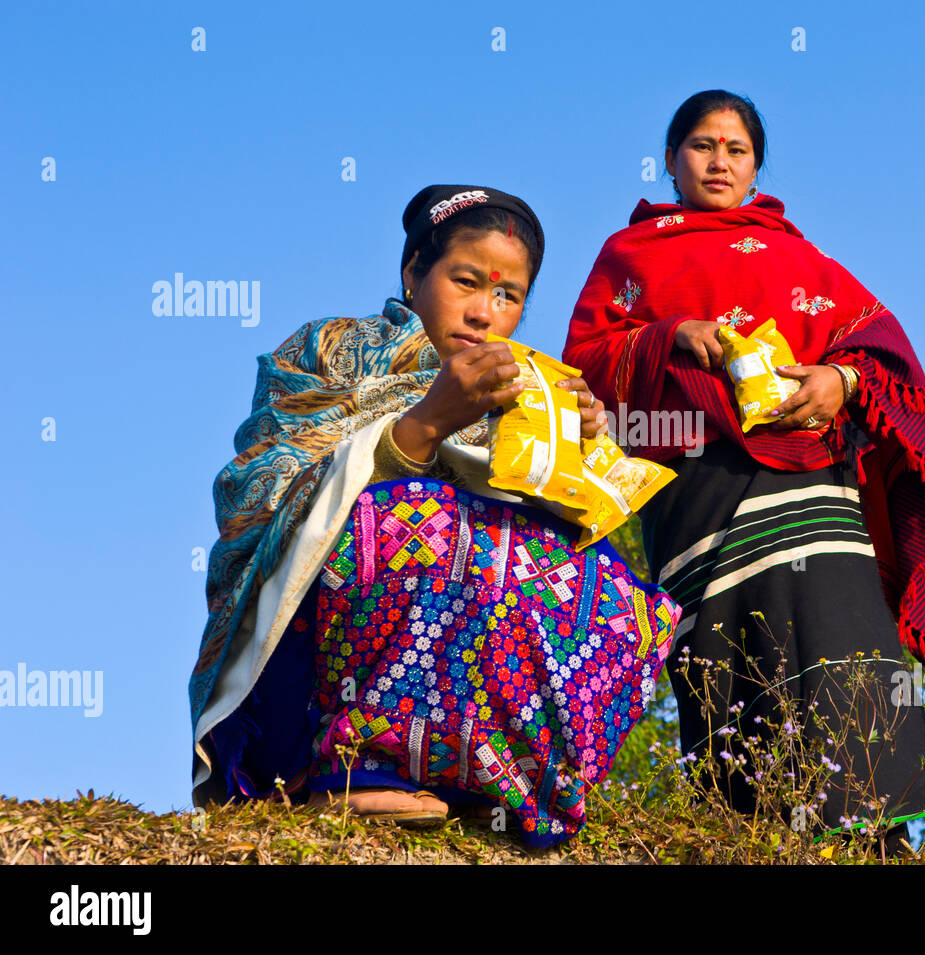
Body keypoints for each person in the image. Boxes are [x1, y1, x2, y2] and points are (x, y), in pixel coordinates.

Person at [188, 185, 681, 848]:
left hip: (474, 686)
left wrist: (577, 453)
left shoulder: (528, 392)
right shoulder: (328, 354)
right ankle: (359, 766)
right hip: (299, 695)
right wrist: (424, 426)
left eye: (508, 296)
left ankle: (505, 784)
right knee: (419, 519)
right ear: (414, 273)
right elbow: (262, 496)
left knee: (616, 591)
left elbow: (546, 548)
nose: (484, 312)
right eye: (466, 281)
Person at [562, 91, 925, 851]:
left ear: (756, 166)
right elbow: (584, 365)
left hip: (816, 484)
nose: (718, 160)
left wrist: (840, 384)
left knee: (844, 642)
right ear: (670, 160)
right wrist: (669, 335)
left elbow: (879, 346)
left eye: (736, 148)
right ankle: (744, 834)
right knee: (725, 645)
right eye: (700, 145)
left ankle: (875, 843)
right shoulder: (630, 256)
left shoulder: (797, 254)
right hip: (695, 485)